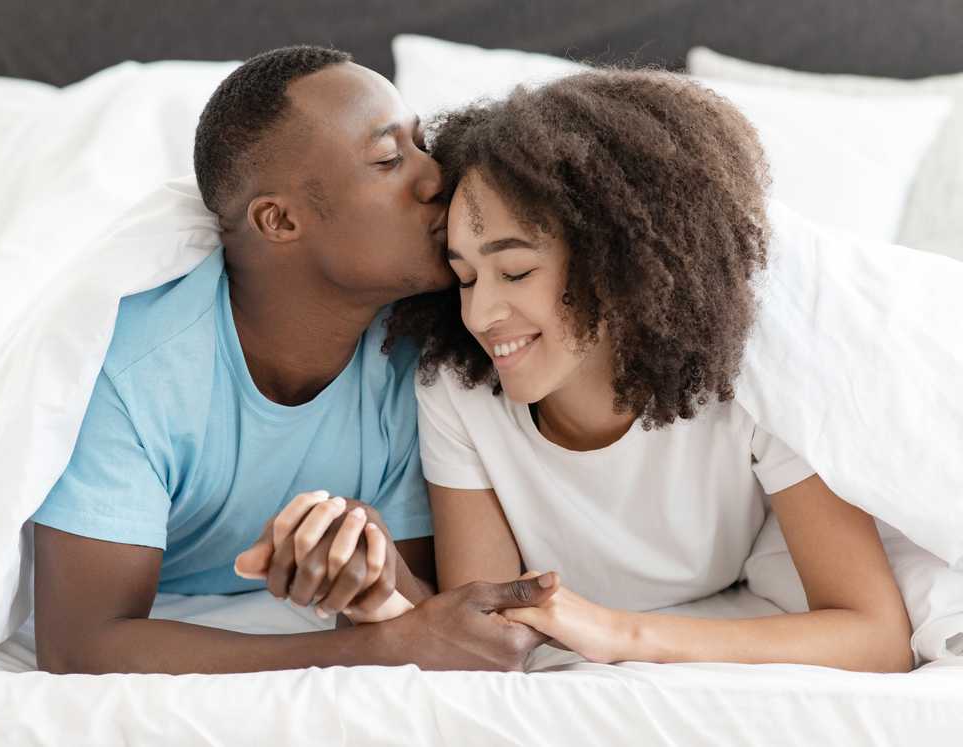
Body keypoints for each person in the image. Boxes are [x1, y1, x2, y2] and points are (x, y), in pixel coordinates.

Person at [31, 45, 557, 676]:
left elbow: (414, 610)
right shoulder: (134, 373)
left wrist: (375, 566)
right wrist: (369, 650)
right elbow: (79, 645)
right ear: (278, 220)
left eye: (420, 145)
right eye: (389, 159)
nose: (435, 177)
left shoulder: (421, 359)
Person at [374, 69, 914, 672]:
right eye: (466, 278)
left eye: (516, 272)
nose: (480, 315)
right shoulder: (457, 387)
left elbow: (877, 638)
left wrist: (622, 635)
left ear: (615, 262)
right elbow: (487, 640)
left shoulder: (754, 374)